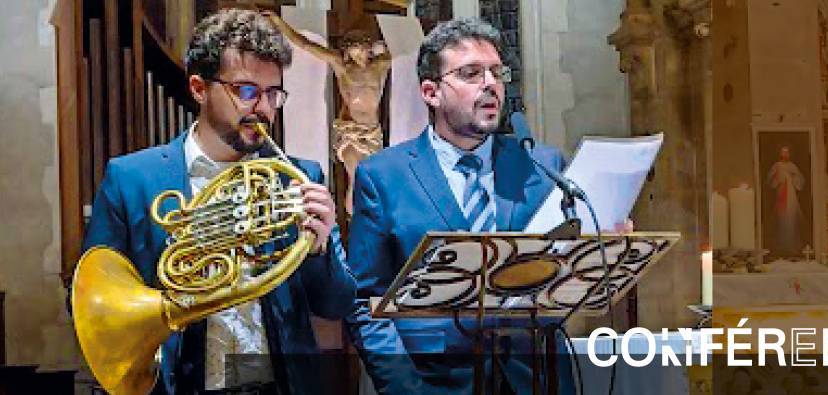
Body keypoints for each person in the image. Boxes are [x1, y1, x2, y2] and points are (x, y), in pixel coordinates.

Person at [81, 9, 356, 394]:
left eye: (273, 93)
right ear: (198, 88)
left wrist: (319, 247)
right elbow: (97, 306)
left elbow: (337, 303)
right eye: (246, 90)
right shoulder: (132, 180)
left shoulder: (301, 177)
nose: (262, 108)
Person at [345, 18, 579, 394]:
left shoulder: (542, 167)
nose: (490, 84)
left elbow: (565, 276)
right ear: (431, 92)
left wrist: (599, 246)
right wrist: (405, 387)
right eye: (471, 73)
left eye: (496, 72)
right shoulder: (383, 176)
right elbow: (366, 300)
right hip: (435, 380)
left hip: (534, 377)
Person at [263, 11, 390, 214]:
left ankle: (367, 221)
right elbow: (306, 44)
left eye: (359, 47)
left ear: (367, 48)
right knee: (355, 175)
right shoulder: (342, 66)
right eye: (351, 48)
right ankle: (356, 219)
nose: (354, 53)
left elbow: (405, 51)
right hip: (351, 131)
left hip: (372, 132)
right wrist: (280, 24)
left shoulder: (380, 65)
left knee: (372, 178)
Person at [768, 146, 806, 255]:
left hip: (791, 197)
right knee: (782, 220)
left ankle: (792, 245)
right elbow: (771, 180)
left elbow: (800, 181)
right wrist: (778, 178)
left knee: (792, 218)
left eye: (787, 153)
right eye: (783, 153)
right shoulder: (777, 166)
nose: (785, 155)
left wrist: (793, 177)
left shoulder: (792, 166)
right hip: (781, 196)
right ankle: (782, 245)